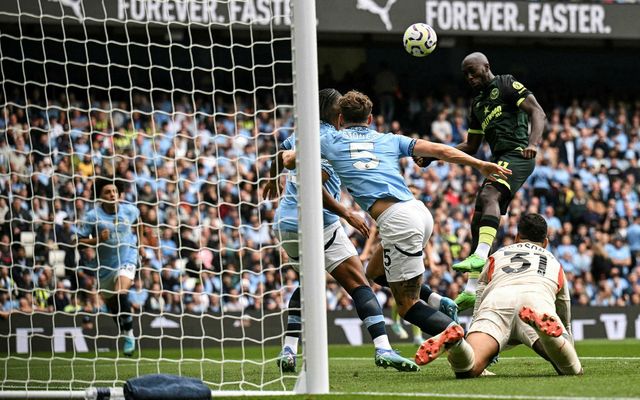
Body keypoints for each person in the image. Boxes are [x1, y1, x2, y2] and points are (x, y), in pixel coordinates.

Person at [319, 90, 510, 349]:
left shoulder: (330, 141)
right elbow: (440, 150)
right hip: (418, 213)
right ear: (371, 119)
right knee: (374, 272)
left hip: (398, 222)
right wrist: (479, 164)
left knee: (407, 307)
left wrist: (283, 161)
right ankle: (437, 301)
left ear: (340, 119)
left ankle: (468, 342)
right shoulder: (388, 138)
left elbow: (295, 154)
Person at [264, 88, 420, 373]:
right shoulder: (331, 139)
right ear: (339, 116)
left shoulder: (303, 133)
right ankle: (383, 347)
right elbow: (314, 183)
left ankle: (288, 349)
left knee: (307, 284)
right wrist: (347, 213)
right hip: (317, 222)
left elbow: (282, 154)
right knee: (359, 282)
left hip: (285, 225)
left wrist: (274, 177)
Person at [418, 52, 547, 311]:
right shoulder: (477, 104)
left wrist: (533, 143)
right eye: (466, 74)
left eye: (473, 71)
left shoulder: (506, 83)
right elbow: (471, 145)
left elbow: (537, 111)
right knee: (478, 216)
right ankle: (471, 289)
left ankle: (479, 257)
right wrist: (434, 156)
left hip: (519, 155)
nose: (469, 77)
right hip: (499, 161)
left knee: (490, 196)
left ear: (486, 67)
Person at [414, 214, 582, 378]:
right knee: (569, 368)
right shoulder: (554, 262)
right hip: (535, 302)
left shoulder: (497, 256)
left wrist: (474, 331)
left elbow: (480, 296)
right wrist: (569, 344)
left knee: (467, 368)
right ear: (545, 242)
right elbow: (564, 313)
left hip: (497, 301)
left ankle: (457, 344)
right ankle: (547, 336)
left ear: (517, 237)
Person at [77, 177, 143, 356]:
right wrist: (98, 239)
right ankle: (124, 330)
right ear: (100, 196)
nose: (112, 194)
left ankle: (129, 334)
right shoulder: (93, 216)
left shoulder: (129, 210)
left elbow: (139, 222)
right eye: (108, 192)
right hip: (105, 266)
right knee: (114, 306)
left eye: (114, 191)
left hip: (128, 256)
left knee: (121, 291)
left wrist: (141, 245)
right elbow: (78, 242)